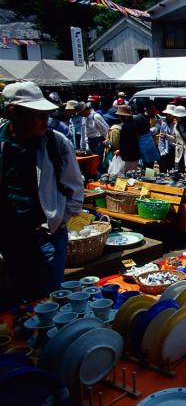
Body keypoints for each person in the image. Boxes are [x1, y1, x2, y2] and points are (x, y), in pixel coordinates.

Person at [0, 82, 83, 307]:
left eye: (46, 114)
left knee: (49, 299)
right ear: (13, 113)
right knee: (22, 296)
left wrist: (58, 221)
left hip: (47, 235)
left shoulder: (56, 142)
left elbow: (75, 188)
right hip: (12, 238)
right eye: (37, 115)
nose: (45, 120)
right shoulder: (3, 144)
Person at [78, 101, 109, 175]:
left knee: (98, 161)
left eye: (82, 113)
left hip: (98, 141)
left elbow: (105, 130)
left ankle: (100, 176)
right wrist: (85, 144)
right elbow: (86, 131)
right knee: (91, 162)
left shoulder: (96, 116)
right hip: (90, 141)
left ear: (86, 110)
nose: (81, 115)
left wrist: (107, 141)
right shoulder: (85, 118)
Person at [115, 105, 141, 174]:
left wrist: (120, 150)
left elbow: (127, 142)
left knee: (129, 176)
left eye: (120, 116)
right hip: (132, 155)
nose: (119, 117)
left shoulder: (127, 126)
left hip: (130, 156)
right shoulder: (132, 123)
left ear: (125, 116)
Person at [158, 104, 176, 173]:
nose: (168, 116)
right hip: (166, 151)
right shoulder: (164, 124)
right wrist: (162, 151)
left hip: (174, 151)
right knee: (163, 170)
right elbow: (161, 139)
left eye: (170, 114)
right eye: (167, 114)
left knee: (173, 171)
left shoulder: (176, 125)